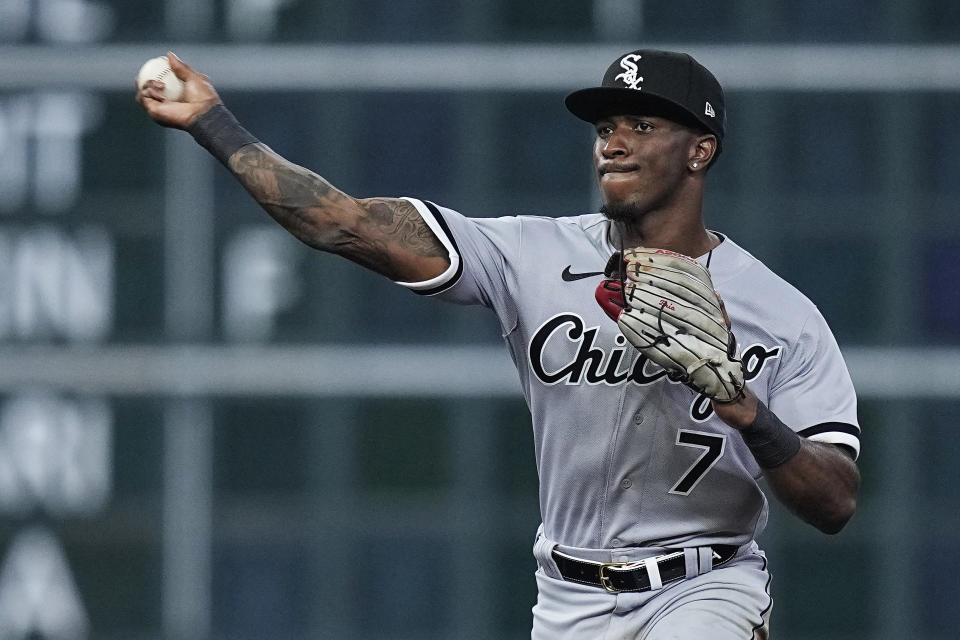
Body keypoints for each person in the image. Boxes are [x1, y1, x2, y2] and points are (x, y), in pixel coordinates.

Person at [137, 48, 861, 639]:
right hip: (568, 596)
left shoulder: (779, 313)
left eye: (641, 124)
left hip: (705, 589)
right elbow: (342, 224)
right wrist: (212, 122)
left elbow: (834, 501)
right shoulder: (531, 254)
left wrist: (745, 410)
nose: (613, 140)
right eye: (607, 125)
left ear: (701, 149)